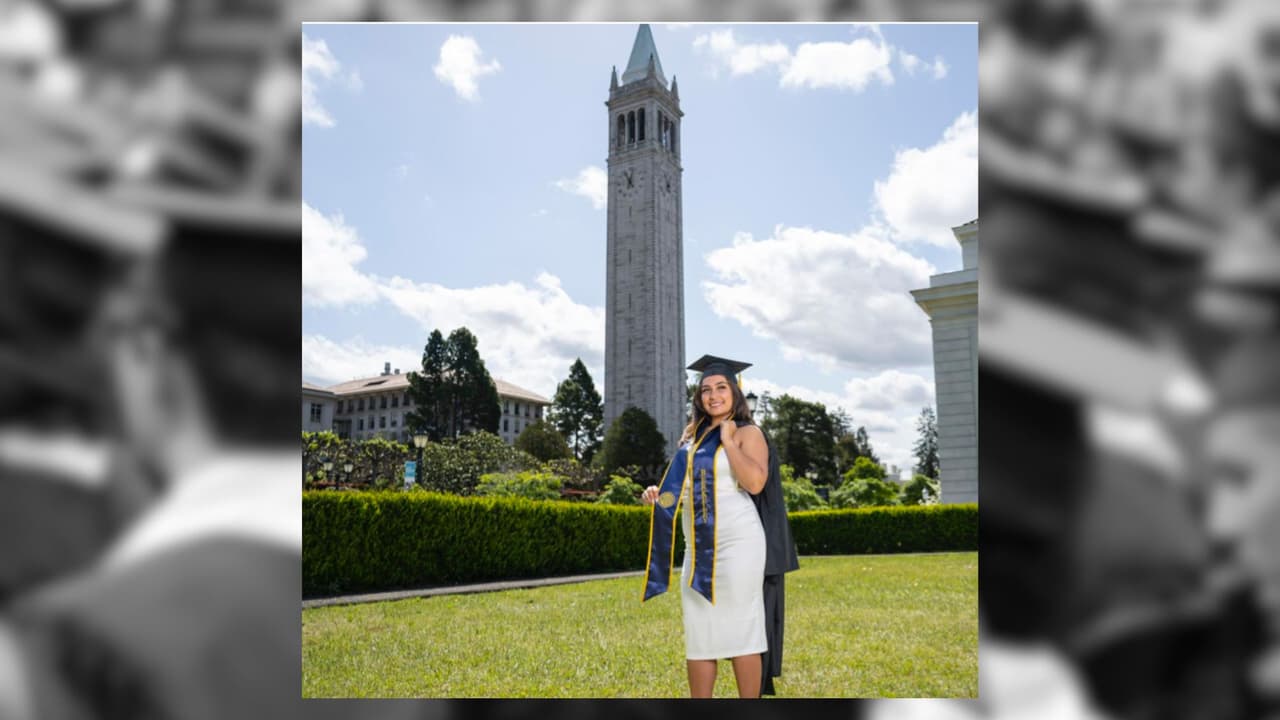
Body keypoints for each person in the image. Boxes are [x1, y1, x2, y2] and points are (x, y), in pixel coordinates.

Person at [641, 354, 798, 698]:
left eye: (721, 388)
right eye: (706, 390)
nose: (713, 395)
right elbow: (681, 490)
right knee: (700, 634)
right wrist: (657, 494)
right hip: (697, 548)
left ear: (736, 393)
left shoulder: (748, 432)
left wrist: (729, 440)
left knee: (743, 630)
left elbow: (755, 483)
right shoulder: (691, 438)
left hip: (739, 543)